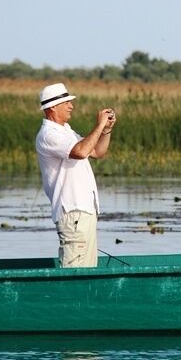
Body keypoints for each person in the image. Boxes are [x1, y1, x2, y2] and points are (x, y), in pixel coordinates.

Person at [35, 82, 116, 268]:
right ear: (53, 107)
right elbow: (80, 152)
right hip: (73, 213)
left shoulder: (66, 131)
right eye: (66, 103)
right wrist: (99, 124)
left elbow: (96, 152)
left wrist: (106, 130)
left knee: (87, 270)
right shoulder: (49, 134)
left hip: (84, 212)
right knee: (75, 271)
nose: (71, 106)